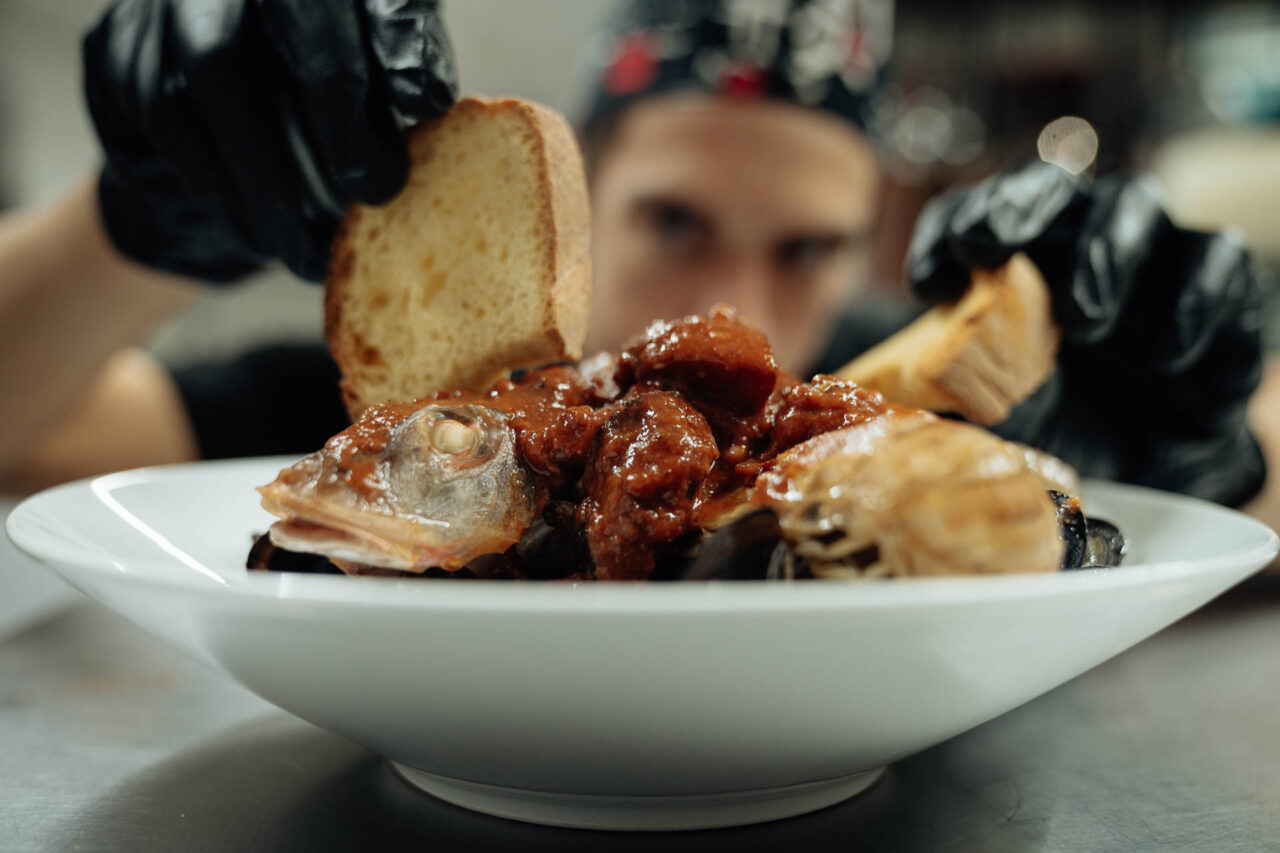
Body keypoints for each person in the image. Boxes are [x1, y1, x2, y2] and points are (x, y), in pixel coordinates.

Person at [0, 0, 1267, 516]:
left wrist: (1200, 459)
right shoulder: (416, 436)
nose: (736, 301)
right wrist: (133, 226)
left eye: (809, 246)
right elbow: (30, 438)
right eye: (675, 221)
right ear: (582, 206)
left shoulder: (906, 409)